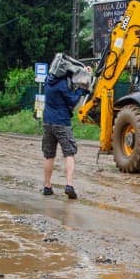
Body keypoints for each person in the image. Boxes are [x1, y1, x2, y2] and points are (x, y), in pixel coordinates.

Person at [41, 63, 88, 199]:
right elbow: (73, 101)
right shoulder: (62, 85)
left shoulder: (47, 81)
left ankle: (47, 186)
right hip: (61, 122)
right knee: (69, 153)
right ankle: (69, 185)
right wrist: (82, 90)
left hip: (47, 122)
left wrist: (82, 71)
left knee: (49, 155)